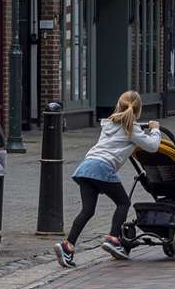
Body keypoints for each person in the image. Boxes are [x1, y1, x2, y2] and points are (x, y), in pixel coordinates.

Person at [54, 90, 160, 267]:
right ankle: (112, 238)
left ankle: (67, 246)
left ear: (118, 105)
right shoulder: (131, 128)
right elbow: (152, 146)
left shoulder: (109, 124)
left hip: (86, 166)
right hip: (103, 167)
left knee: (87, 210)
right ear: (138, 109)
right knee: (123, 203)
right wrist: (155, 129)